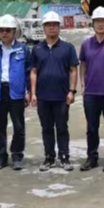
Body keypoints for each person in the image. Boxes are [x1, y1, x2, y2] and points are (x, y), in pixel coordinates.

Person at [30, 11, 79, 172]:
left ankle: (64, 157)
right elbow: (33, 72)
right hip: (43, 96)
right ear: (44, 28)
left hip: (61, 96)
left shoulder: (68, 48)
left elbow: (73, 70)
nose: (51, 28)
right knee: (46, 128)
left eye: (54, 25)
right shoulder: (37, 49)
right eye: (48, 25)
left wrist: (72, 91)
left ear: (59, 27)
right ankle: (49, 157)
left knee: (62, 128)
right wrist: (33, 93)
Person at [0, 15, 31, 171]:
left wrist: (29, 91)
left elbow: (28, 72)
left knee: (18, 125)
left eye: (8, 30)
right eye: (2, 30)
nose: (4, 33)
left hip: (16, 91)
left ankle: (17, 155)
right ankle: (1, 156)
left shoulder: (23, 49)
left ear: (14, 32)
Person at [79, 7, 104, 172]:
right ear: (93, 23)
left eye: (103, 21)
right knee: (91, 128)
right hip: (91, 94)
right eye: (97, 21)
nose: (100, 24)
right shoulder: (86, 44)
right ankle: (92, 158)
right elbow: (83, 64)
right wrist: (83, 84)